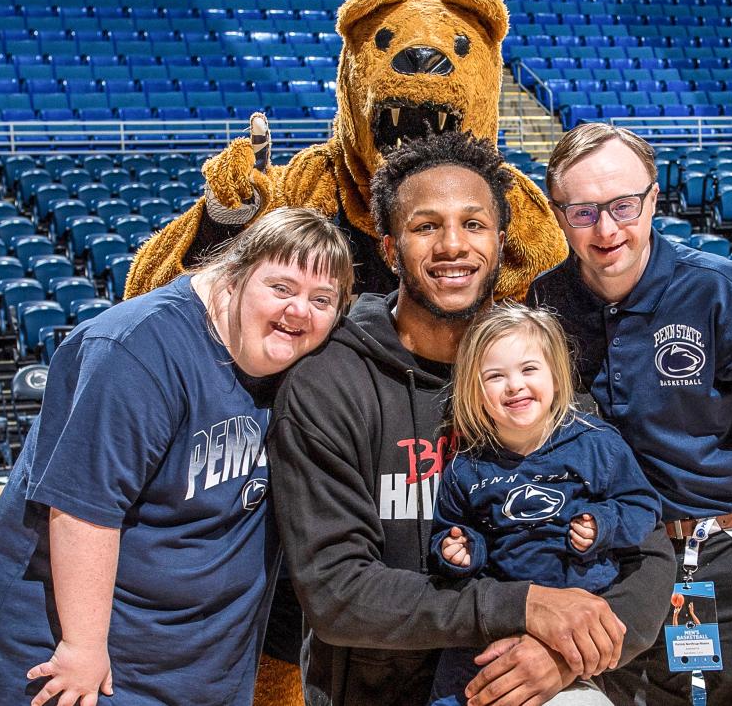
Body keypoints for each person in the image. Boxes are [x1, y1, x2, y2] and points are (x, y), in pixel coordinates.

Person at [268, 130, 676, 706]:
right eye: (426, 226)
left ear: (502, 242)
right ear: (389, 248)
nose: (452, 245)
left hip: (533, 682)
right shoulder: (330, 384)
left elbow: (647, 546)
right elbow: (337, 594)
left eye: (474, 224)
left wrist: (566, 653)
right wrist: (519, 605)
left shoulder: (530, 371)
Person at [0, 208, 355, 706]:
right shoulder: (136, 349)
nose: (299, 311)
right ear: (233, 277)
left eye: (322, 300)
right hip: (79, 652)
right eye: (281, 288)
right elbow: (82, 511)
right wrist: (82, 648)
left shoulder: (297, 361)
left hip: (195, 660)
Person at [529, 122, 732, 706]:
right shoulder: (545, 304)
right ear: (558, 214)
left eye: (623, 206)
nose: (606, 229)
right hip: (613, 561)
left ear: (653, 199)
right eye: (583, 212)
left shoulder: (721, 292)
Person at [426, 303, 662, 706]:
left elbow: (643, 506)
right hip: (493, 627)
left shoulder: (597, 444)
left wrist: (604, 524)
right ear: (474, 390)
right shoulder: (466, 467)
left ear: (555, 373)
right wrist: (460, 549)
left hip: (576, 623)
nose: (514, 385)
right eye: (495, 377)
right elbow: (450, 533)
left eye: (529, 369)